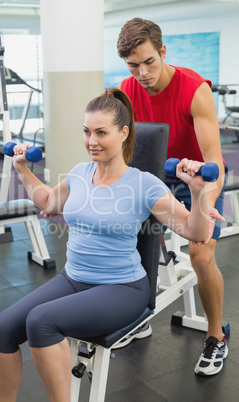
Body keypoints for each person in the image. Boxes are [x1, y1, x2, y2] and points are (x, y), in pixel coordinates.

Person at [0, 88, 217, 401]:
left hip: (122, 289)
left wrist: (199, 192)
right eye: (86, 132)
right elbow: (48, 201)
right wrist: (22, 169)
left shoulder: (144, 183)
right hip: (73, 279)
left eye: (101, 132)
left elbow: (195, 231)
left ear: (123, 133)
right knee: (1, 329)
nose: (91, 141)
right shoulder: (80, 173)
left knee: (41, 322)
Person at [116, 17, 228, 376]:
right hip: (154, 177)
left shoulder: (194, 89)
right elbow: (124, 149)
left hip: (197, 179)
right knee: (128, 240)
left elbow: (214, 160)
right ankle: (138, 317)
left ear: (163, 52)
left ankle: (216, 336)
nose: (142, 72)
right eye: (133, 65)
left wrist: (205, 200)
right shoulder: (126, 90)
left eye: (149, 61)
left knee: (200, 251)